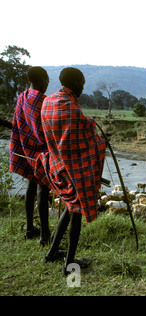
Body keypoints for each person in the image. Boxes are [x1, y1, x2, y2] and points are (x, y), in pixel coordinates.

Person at [34, 67, 106, 274]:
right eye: (82, 83)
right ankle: (69, 265)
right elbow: (84, 138)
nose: (83, 87)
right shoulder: (72, 110)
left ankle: (52, 253)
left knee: (70, 206)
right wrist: (101, 142)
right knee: (77, 213)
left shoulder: (49, 101)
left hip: (54, 166)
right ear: (75, 84)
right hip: (72, 170)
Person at [9, 66, 51, 246]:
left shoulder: (23, 96)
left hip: (26, 148)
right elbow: (47, 128)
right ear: (43, 80)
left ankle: (29, 228)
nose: (47, 84)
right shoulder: (43, 100)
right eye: (47, 80)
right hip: (40, 151)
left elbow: (17, 122)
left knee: (30, 187)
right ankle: (44, 234)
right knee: (43, 190)